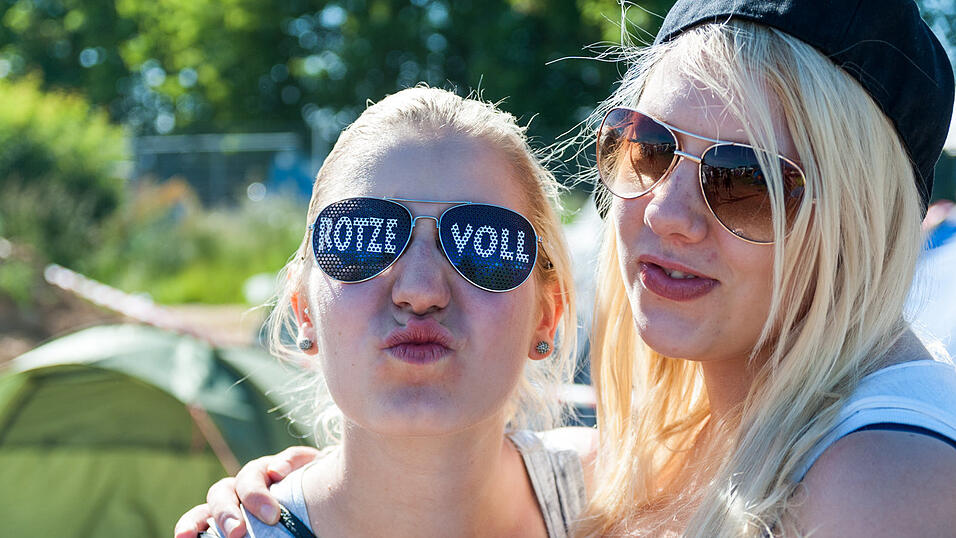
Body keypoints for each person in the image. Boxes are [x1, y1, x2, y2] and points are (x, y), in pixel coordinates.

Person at [178, 1, 956, 536]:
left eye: (744, 180)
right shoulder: (649, 470)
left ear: (860, 215)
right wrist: (342, 490)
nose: (667, 212)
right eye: (648, 149)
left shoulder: (881, 480)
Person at [176, 86, 593, 538]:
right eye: (362, 239)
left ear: (546, 316)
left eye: (482, 242)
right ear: (304, 310)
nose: (420, 292)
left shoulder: (624, 500)